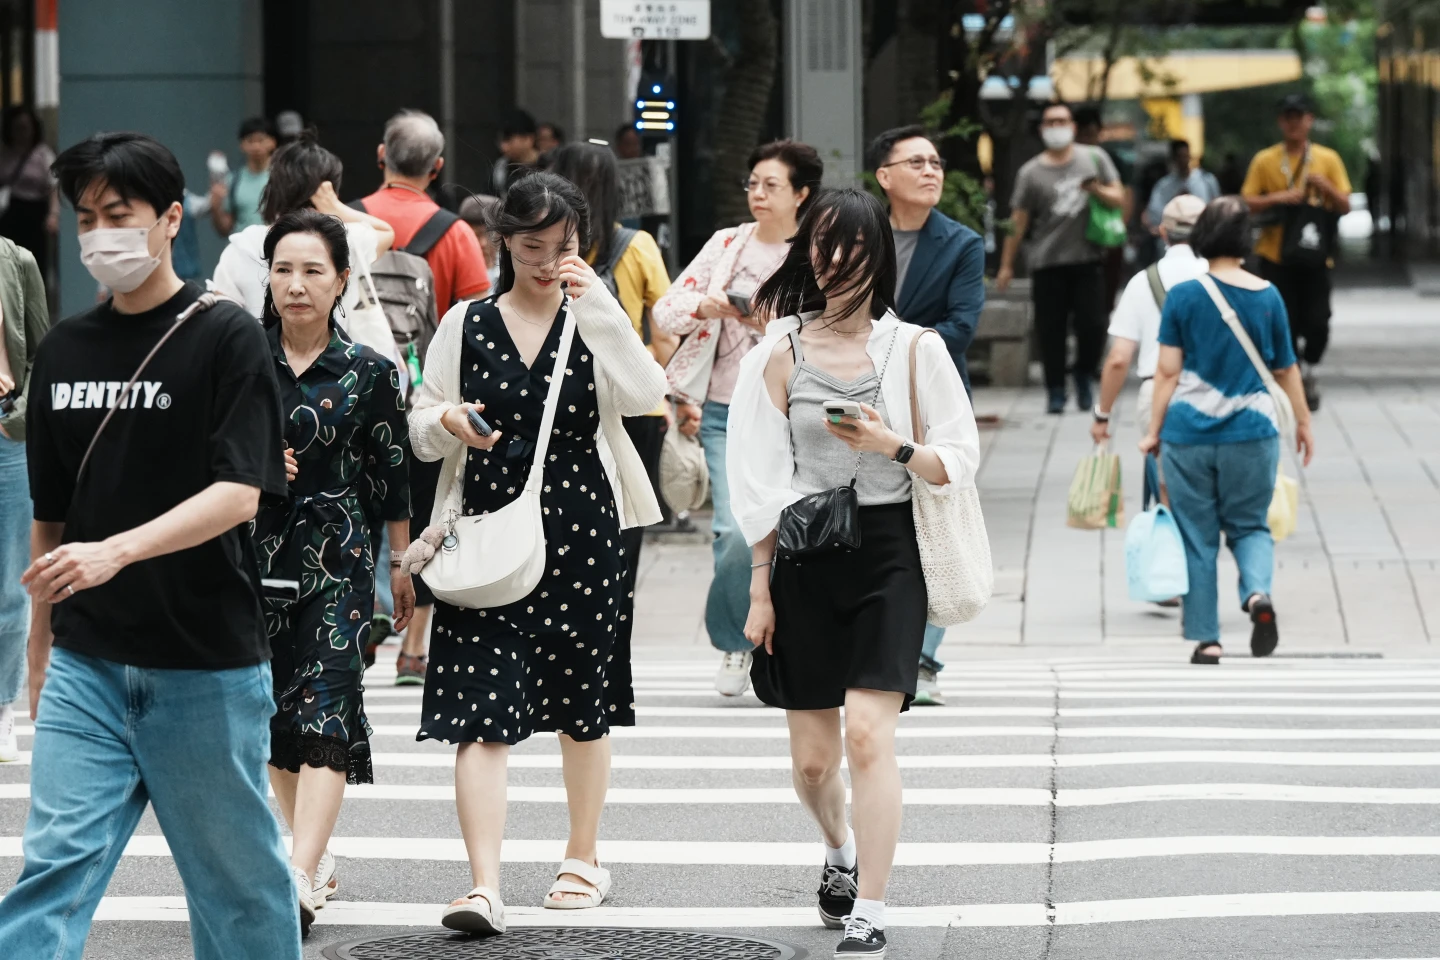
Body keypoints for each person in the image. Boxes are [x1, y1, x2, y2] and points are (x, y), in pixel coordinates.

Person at [0, 131, 298, 959]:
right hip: (87, 669)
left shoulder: (227, 336)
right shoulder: (63, 349)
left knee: (236, 885)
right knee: (52, 871)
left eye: (118, 214)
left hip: (205, 666)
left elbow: (240, 494)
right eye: (86, 216)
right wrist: (40, 653)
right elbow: (52, 516)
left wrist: (118, 552)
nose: (100, 235)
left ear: (171, 218)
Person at [405, 171, 666, 935]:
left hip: (585, 531)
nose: (549, 261)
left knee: (581, 708)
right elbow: (421, 419)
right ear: (504, 242)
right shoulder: (466, 322)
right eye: (532, 246)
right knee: (479, 715)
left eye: (564, 247)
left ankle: (582, 857)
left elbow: (648, 391)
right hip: (485, 533)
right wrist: (448, 420)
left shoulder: (594, 316)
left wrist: (602, 306)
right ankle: (483, 885)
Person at [728, 187, 979, 958]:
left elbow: (959, 459)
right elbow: (758, 478)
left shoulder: (916, 350)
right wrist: (759, 585)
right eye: (824, 247)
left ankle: (870, 901)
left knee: (869, 736)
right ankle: (837, 844)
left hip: (888, 551)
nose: (836, 263)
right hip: (804, 555)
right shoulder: (779, 352)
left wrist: (891, 447)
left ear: (878, 257)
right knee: (812, 761)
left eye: (853, 249)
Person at [251, 209, 414, 933]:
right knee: (268, 722)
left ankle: (297, 873)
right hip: (246, 563)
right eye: (284, 269)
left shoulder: (369, 371)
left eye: (313, 270)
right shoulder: (237, 362)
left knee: (324, 714)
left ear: (343, 280)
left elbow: (392, 476)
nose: (296, 284)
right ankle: (310, 856)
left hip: (337, 564)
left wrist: (403, 566)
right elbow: (193, 458)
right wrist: (251, 466)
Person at [654, 140, 822, 697]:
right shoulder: (728, 244)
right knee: (733, 531)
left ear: (801, 193)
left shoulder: (817, 250)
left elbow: (832, 320)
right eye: (752, 183)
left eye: (770, 185)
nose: (757, 194)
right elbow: (666, 309)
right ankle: (734, 642)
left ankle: (783, 636)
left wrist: (769, 316)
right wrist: (711, 305)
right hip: (726, 410)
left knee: (796, 533)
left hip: (799, 412)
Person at [1139, 196, 1315, 665]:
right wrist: (1303, 421)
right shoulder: (1268, 295)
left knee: (1197, 535)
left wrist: (1152, 430)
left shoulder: (1184, 296)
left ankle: (1207, 638)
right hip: (1252, 435)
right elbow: (1286, 369)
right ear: (1246, 240)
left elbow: (1167, 373)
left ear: (1200, 238)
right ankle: (1257, 596)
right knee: (1251, 526)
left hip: (1188, 435)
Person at [358, 110, 491, 684]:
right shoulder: (455, 232)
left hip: (352, 388)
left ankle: (358, 615)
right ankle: (415, 648)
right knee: (420, 508)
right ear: (437, 168)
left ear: (381, 156)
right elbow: (478, 325)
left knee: (353, 503)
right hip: (423, 399)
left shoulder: (347, 223)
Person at [867, 124, 985, 707]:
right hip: (862, 398)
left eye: (936, 162)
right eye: (916, 162)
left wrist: (895, 350)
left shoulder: (962, 244)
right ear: (884, 176)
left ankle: (927, 657)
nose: (931, 170)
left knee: (937, 516)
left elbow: (963, 326)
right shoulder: (861, 237)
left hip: (932, 400)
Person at [549, 142, 678, 660]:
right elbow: (666, 329)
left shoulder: (547, 249)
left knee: (565, 514)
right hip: (634, 407)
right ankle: (612, 630)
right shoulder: (638, 244)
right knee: (625, 520)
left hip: (564, 401)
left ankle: (566, 623)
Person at [998, 102, 1124, 414]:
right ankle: (1055, 389)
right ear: (1042, 129)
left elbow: (1119, 197)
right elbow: (1019, 221)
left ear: (1072, 125)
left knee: (1093, 325)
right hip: (1047, 262)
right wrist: (1006, 264)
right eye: (1051, 121)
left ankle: (1082, 376)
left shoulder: (1094, 158)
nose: (1057, 126)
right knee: (1050, 330)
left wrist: (1095, 189)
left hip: (1088, 258)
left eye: (1062, 120)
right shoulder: (1030, 172)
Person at [1242, 93, 1352, 412]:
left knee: (1318, 321)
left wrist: (1324, 186)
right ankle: (1295, 376)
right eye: (1287, 116)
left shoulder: (1328, 159)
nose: (1293, 123)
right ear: (1280, 122)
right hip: (1276, 255)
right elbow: (1247, 201)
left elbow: (1345, 204)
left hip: (1316, 255)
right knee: (1283, 320)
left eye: (1299, 116)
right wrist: (1280, 197)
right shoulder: (1265, 160)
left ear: (1309, 121)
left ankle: (1309, 362)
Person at [211, 131, 395, 318]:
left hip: (259, 347)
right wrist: (336, 208)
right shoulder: (345, 239)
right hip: (332, 346)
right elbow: (386, 232)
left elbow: (222, 316)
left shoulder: (242, 246)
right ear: (328, 191)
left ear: (273, 189)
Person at [1093, 195, 1208, 444]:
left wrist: (1102, 414)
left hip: (1157, 394)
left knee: (1165, 481)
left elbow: (1118, 359)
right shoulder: (1223, 277)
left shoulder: (1142, 282)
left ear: (1163, 232)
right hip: (1213, 394)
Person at [0, 236, 48, 762]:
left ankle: (1, 707)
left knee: (11, 579)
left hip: (4, 436)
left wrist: (21, 409)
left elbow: (40, 351)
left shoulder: (15, 260)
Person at [0, 105, 58, 280]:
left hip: (35, 210)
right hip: (10, 209)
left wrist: (53, 214)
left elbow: (54, 185)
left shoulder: (42, 154)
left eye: (26, 127)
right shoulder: (5, 153)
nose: (22, 132)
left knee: (34, 257)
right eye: (17, 128)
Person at [209, 116, 278, 237]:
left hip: (273, 247)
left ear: (272, 142)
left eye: (261, 140)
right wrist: (216, 206)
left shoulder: (283, 178)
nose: (256, 146)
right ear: (242, 145)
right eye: (250, 141)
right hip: (241, 250)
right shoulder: (233, 180)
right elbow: (224, 228)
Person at [1144, 140, 1221, 235]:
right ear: (1173, 159)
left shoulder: (1206, 181)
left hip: (1200, 233)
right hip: (1174, 234)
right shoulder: (1164, 185)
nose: (1183, 161)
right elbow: (1155, 212)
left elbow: (1216, 208)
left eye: (1185, 156)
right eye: (1179, 157)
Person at [493, 110, 541, 196]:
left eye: (508, 140)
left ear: (528, 139)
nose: (503, 147)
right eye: (500, 141)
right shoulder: (501, 168)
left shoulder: (550, 166)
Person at [460, 193, 503, 289]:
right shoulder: (454, 272)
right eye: (474, 235)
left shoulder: (513, 273)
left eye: (490, 235)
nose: (482, 243)